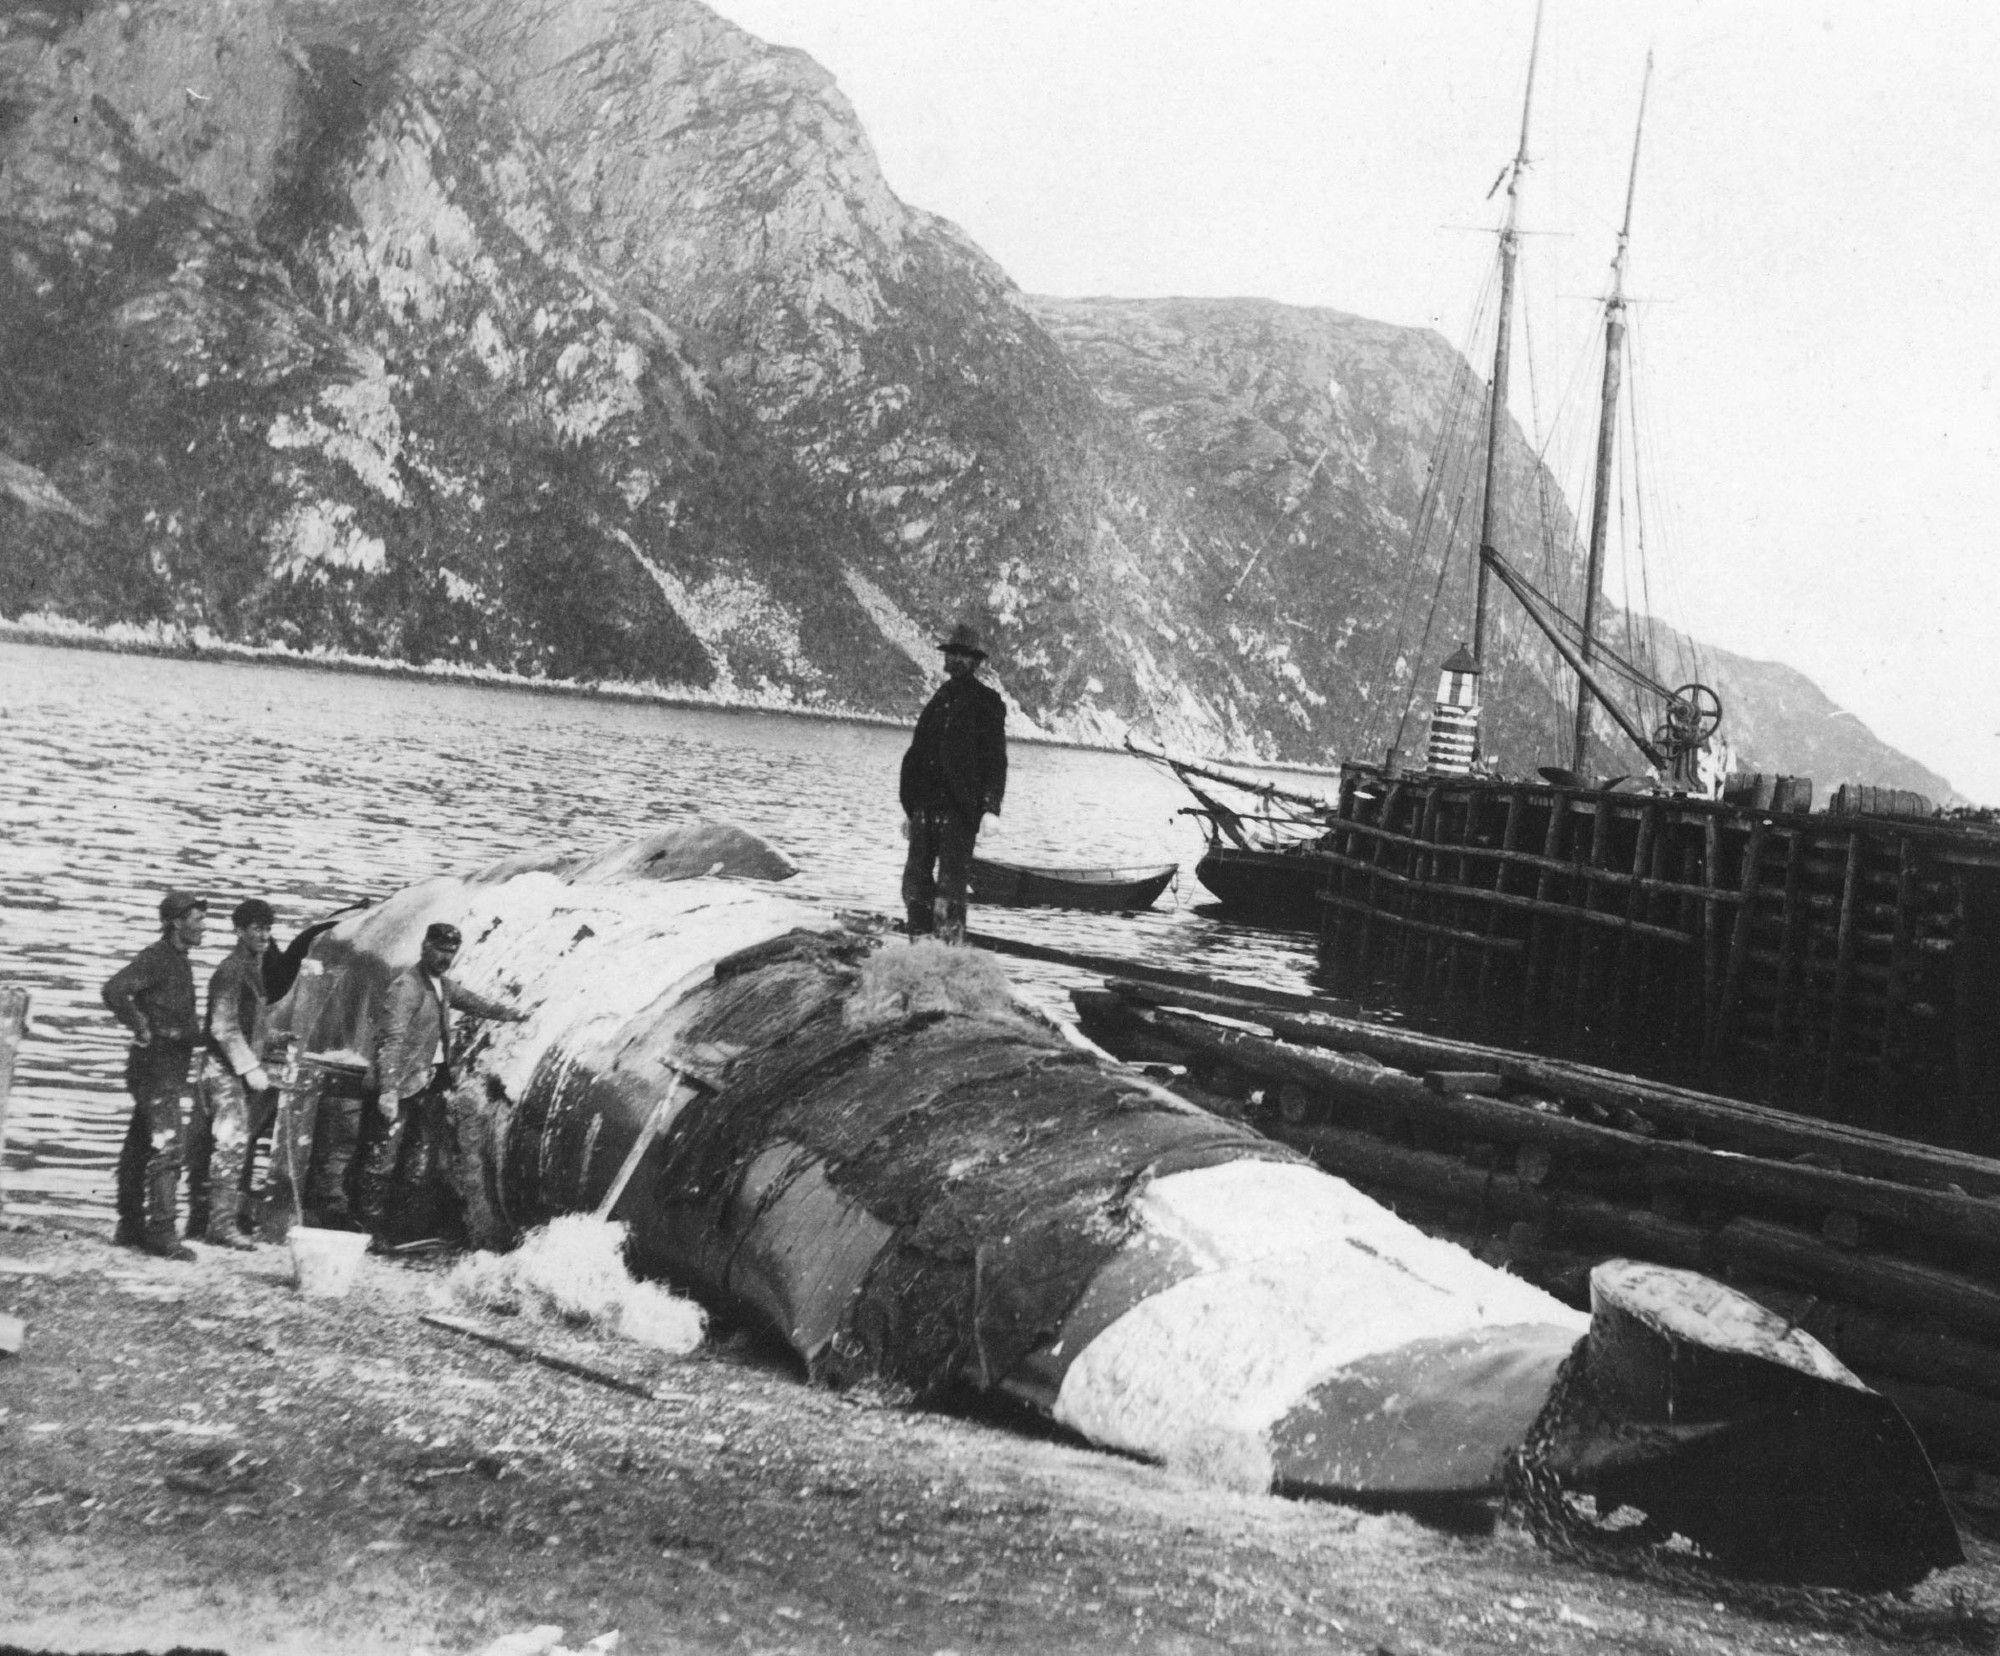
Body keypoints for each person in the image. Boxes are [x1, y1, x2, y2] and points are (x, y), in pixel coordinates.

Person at [358, 921, 526, 1236]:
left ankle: (400, 1229)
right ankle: (369, 1229)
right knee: (383, 1157)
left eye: (451, 952)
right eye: (440, 950)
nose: (445, 957)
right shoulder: (407, 988)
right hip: (402, 1085)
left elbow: (475, 1003)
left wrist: (513, 1014)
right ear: (425, 947)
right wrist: (388, 1091)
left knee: (419, 1158)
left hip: (429, 1082)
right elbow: (390, 1040)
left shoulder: (442, 986)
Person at [101, 891, 207, 1260]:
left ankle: (129, 1224)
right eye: (196, 919)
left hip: (162, 1068)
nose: (203, 927)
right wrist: (140, 1026)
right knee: (168, 1148)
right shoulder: (158, 958)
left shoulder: (178, 960)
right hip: (156, 1070)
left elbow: (179, 1022)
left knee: (140, 1146)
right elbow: (114, 990)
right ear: (176, 922)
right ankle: (162, 1231)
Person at [899, 621, 1008, 944]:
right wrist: (910, 808)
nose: (957, 660)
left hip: (960, 811)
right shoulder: (938, 700)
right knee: (914, 882)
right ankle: (919, 945)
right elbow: (916, 755)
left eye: (964, 656)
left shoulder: (987, 703)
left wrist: (991, 809)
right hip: (926, 808)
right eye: (953, 654)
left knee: (950, 886)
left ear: (975, 662)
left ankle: (948, 953)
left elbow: (995, 759)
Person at [186, 898, 278, 1247]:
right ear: (238, 930)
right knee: (231, 1144)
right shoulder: (232, 968)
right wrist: (250, 1066)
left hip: (226, 1069)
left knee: (211, 1144)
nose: (264, 936)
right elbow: (223, 1026)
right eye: (257, 929)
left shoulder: (251, 966)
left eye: (268, 929)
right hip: (223, 1071)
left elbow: (245, 1021)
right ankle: (219, 1226)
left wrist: (272, 1038)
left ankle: (200, 1223)